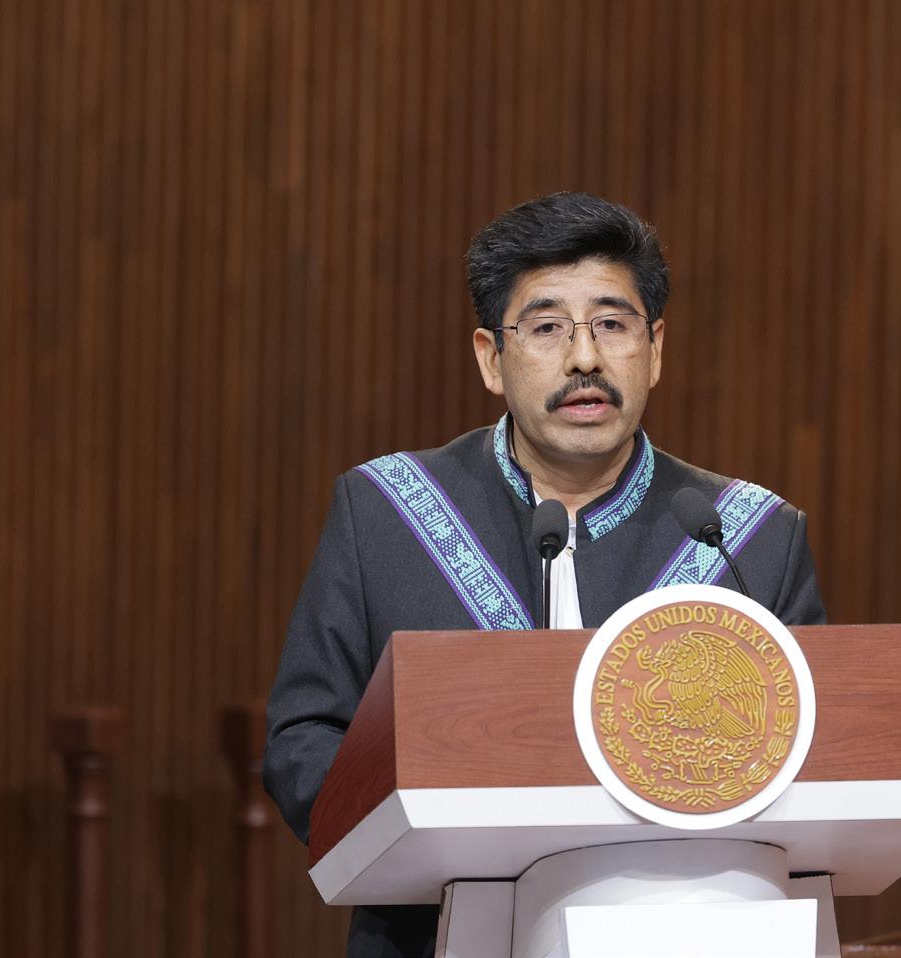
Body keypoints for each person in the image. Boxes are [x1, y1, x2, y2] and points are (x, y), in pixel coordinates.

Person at [262, 192, 826, 958]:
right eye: (547, 327)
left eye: (612, 324)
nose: (584, 358)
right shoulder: (386, 512)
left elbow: (810, 762)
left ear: (655, 349)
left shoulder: (747, 537)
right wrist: (431, 837)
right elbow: (302, 739)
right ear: (491, 359)